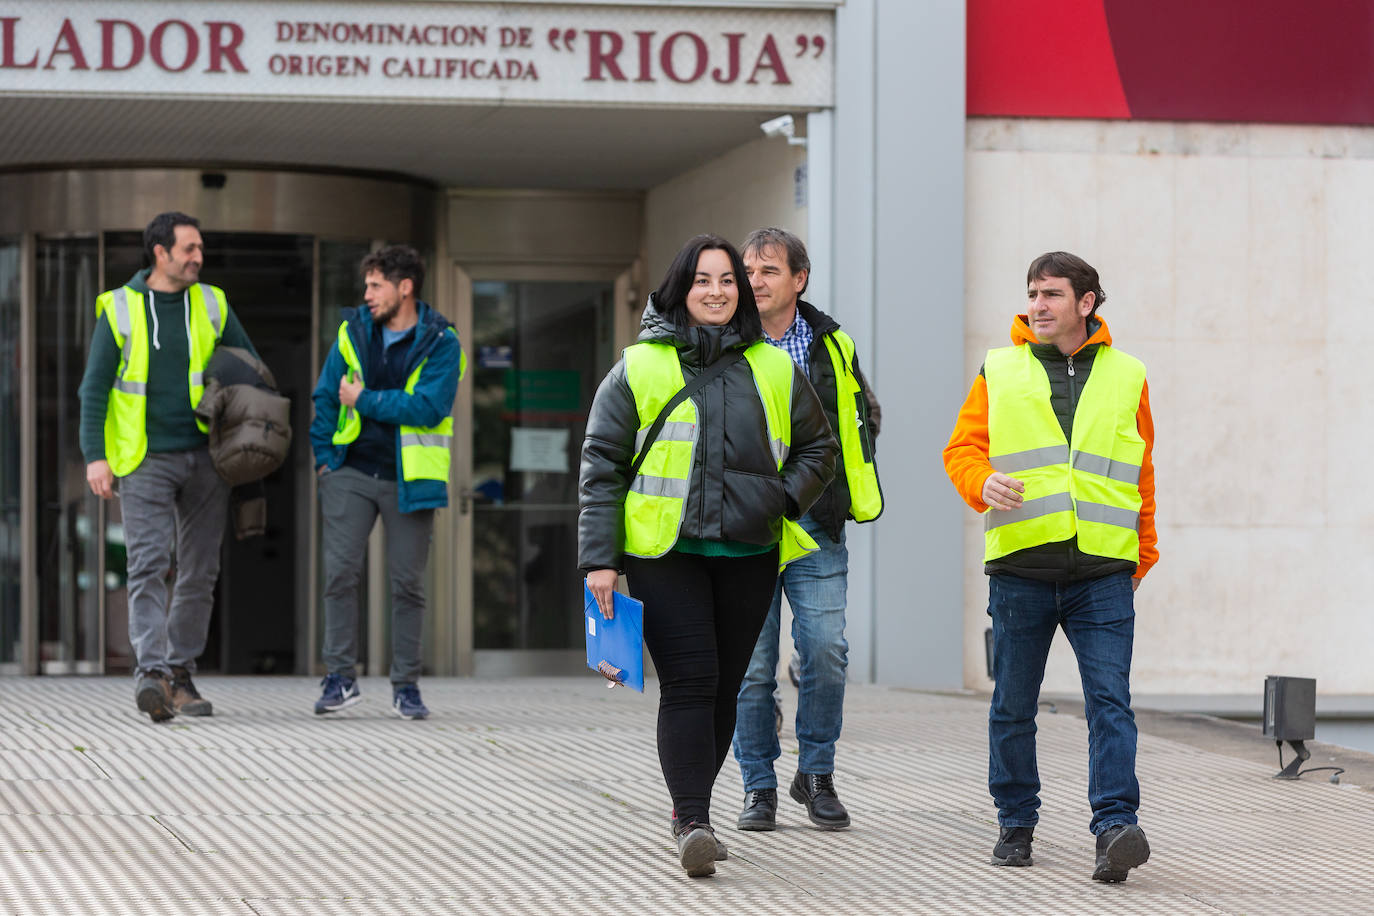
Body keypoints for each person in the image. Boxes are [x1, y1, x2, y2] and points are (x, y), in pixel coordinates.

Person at [579, 234, 837, 877]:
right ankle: (692, 819)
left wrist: (779, 502)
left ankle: (692, 811)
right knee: (691, 681)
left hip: (749, 550)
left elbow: (819, 451)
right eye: (703, 280)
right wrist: (600, 561)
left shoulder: (774, 367)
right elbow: (601, 468)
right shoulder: (638, 366)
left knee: (724, 688)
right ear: (679, 289)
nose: (717, 291)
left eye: (728, 280)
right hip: (665, 551)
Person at [943, 252, 1157, 883]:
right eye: (1032, 293)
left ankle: (1115, 827)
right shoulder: (1000, 368)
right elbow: (962, 450)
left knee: (1110, 702)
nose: (1036, 305)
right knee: (1012, 705)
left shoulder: (1129, 374)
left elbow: (1142, 471)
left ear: (1086, 303)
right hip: (1021, 570)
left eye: (1051, 294)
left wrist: (1140, 555)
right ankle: (1015, 822)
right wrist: (982, 483)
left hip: (1103, 574)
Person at [79, 211, 260, 722]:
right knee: (148, 566)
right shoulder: (119, 307)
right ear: (160, 253)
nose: (198, 257)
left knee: (200, 570)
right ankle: (151, 674)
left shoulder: (212, 301)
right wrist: (96, 455)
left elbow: (249, 366)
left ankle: (180, 674)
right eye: (189, 249)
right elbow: (93, 388)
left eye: (200, 248)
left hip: (207, 457)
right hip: (143, 459)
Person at [731, 228, 883, 832]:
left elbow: (863, 415)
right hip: (742, 529)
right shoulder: (724, 342)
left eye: (768, 271)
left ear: (799, 280)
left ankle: (816, 773)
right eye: (747, 270)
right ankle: (758, 785)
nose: (753, 282)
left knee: (825, 653)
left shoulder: (831, 343)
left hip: (815, 523)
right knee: (750, 666)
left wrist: (831, 482)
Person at [309, 246, 465, 721]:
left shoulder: (443, 342)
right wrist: (324, 462)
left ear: (405, 287)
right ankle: (339, 677)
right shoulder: (353, 331)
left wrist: (365, 399)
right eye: (367, 285)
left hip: (410, 479)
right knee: (339, 575)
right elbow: (325, 396)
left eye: (376, 285)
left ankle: (406, 686)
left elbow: (428, 408)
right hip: (350, 472)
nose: (367, 294)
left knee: (407, 585)